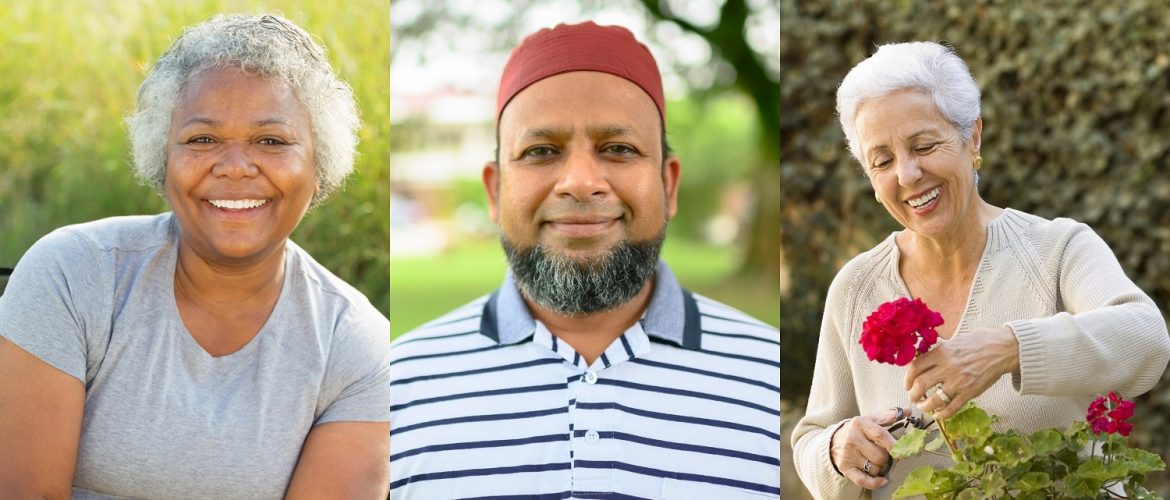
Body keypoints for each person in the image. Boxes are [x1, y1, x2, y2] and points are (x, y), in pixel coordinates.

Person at [0, 14, 390, 498]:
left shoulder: (356, 345)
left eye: (271, 141)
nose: (234, 168)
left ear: (320, 166)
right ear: (162, 159)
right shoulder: (70, 274)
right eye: (202, 139)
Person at [388, 21, 781, 498]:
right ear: (495, 190)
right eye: (540, 151)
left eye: (618, 149)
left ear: (669, 184)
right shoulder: (396, 388)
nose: (579, 181)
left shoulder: (769, 379)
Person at [791, 41, 1170, 499]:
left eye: (924, 145)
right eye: (883, 161)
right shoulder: (856, 287)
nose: (908, 175)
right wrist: (834, 449)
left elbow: (1146, 337)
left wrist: (1008, 348)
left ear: (973, 138)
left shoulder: (1058, 249)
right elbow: (812, 435)